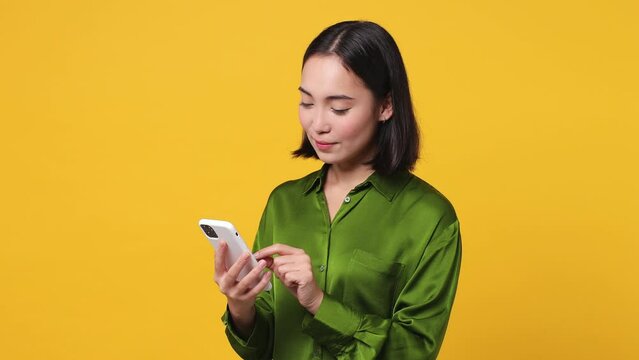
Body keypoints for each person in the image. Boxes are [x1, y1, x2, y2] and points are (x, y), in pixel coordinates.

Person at [213, 20, 462, 360]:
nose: (318, 124)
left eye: (339, 107)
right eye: (307, 102)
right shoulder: (284, 203)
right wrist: (241, 307)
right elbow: (263, 347)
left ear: (386, 105)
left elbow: (414, 351)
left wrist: (319, 302)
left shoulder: (430, 218)